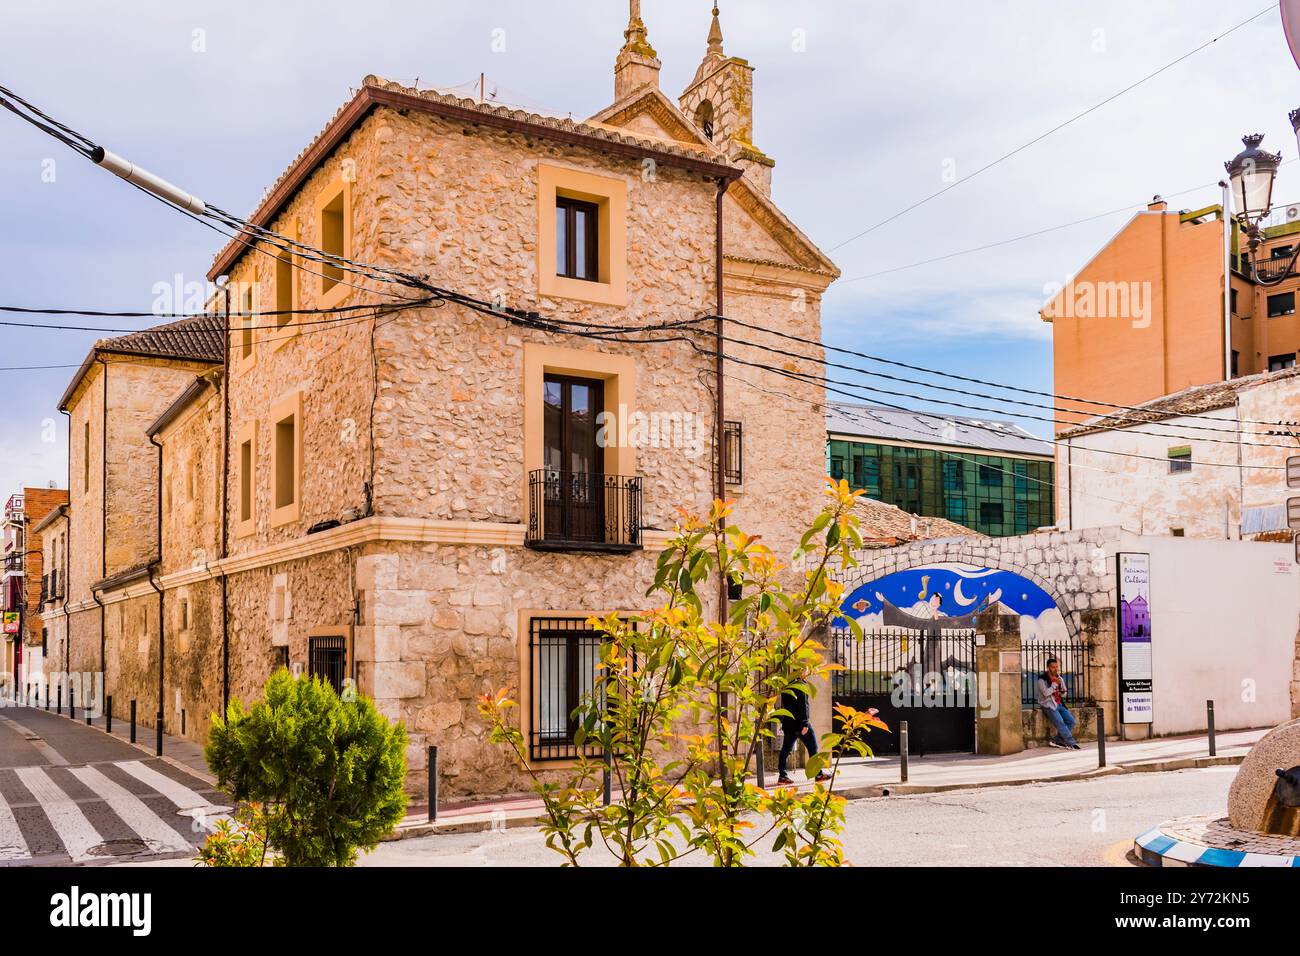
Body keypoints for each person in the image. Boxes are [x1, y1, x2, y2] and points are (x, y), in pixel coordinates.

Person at [776, 686, 832, 785]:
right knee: (813, 748)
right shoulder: (801, 686)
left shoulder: (786, 686)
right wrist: (805, 724)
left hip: (789, 723)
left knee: (785, 750)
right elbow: (803, 705)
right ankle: (818, 774)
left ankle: (782, 776)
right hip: (800, 724)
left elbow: (785, 705)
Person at [1036, 657, 1080, 750]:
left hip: (1059, 704)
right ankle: (1070, 743)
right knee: (1061, 723)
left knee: (1071, 721)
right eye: (1053, 667)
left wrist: (1063, 692)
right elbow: (1045, 693)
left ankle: (1056, 740)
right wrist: (1055, 684)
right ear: (1048, 668)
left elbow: (1064, 694)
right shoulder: (1042, 680)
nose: (1056, 669)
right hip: (1048, 705)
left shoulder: (1060, 678)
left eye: (1057, 667)